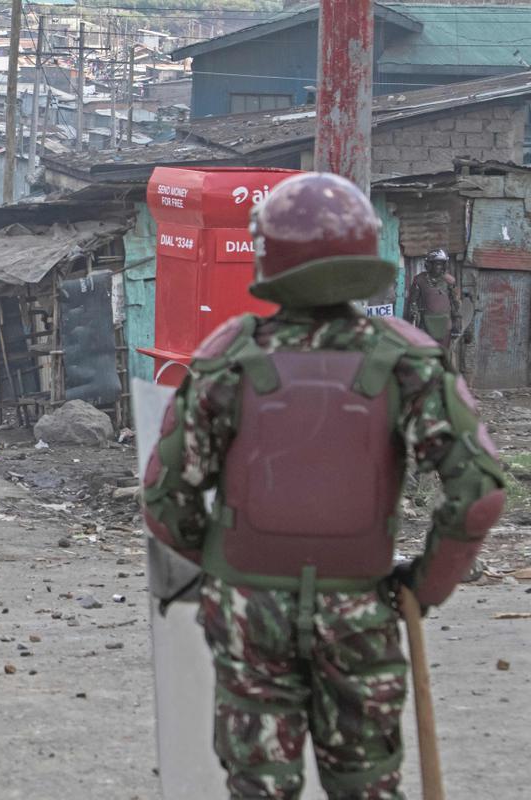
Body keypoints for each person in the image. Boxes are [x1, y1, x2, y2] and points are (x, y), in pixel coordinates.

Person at [141, 173, 506, 800]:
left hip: (249, 613)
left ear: (267, 257)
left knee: (259, 785)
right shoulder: (407, 357)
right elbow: (480, 491)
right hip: (361, 606)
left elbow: (164, 497)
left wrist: (223, 567)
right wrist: (425, 585)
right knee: (365, 783)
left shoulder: (228, 356)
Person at [404, 248, 461, 352]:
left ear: (444, 265)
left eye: (440, 264)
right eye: (435, 264)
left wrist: (457, 322)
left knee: (443, 353)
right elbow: (413, 301)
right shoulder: (419, 280)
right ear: (429, 265)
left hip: (445, 324)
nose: (438, 267)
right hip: (426, 323)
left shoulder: (449, 281)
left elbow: (455, 303)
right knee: (427, 352)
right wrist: (413, 314)